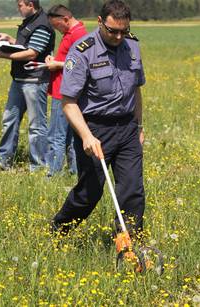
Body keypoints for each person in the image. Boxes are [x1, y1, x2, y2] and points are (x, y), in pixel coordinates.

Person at [52, 0, 146, 238]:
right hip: (94, 129)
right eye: (112, 30)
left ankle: (129, 245)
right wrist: (86, 136)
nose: (118, 36)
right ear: (100, 22)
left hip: (127, 128)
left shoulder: (132, 45)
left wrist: (139, 125)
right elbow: (68, 102)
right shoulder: (82, 50)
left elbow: (136, 90)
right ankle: (58, 230)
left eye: (123, 31)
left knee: (132, 190)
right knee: (90, 192)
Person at [0, 0, 55, 171]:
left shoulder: (42, 25)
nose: (18, 8)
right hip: (19, 79)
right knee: (9, 120)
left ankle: (39, 166)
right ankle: (3, 161)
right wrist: (9, 40)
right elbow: (24, 45)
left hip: (34, 81)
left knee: (36, 126)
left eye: (20, 5)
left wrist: (3, 55)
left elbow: (32, 53)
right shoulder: (30, 22)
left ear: (30, 4)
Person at [44, 5, 87, 177]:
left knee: (56, 134)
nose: (58, 30)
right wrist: (54, 60)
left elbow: (80, 63)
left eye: (57, 26)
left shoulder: (78, 34)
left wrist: (56, 65)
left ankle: (53, 174)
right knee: (68, 136)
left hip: (63, 92)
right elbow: (69, 59)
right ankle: (74, 172)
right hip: (62, 88)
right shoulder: (72, 33)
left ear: (65, 20)